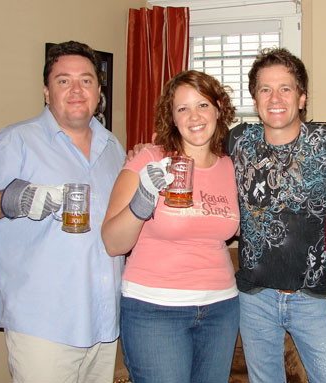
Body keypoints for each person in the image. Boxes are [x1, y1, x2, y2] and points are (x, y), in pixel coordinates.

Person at [0, 41, 125, 382]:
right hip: (42, 328)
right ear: (47, 92)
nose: (77, 90)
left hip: (103, 325)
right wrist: (10, 200)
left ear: (98, 91)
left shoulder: (113, 148)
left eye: (87, 80)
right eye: (64, 81)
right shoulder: (15, 142)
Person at [225, 47, 326, 383]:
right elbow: (191, 152)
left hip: (317, 298)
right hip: (255, 297)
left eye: (285, 88)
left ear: (301, 98)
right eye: (265, 89)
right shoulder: (237, 140)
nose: (275, 98)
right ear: (255, 100)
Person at [101, 70, 240, 383]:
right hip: (155, 308)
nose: (194, 117)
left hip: (220, 308)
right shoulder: (148, 159)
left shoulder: (230, 166)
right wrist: (143, 199)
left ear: (218, 108)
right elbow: (112, 242)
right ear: (172, 118)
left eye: (202, 105)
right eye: (182, 109)